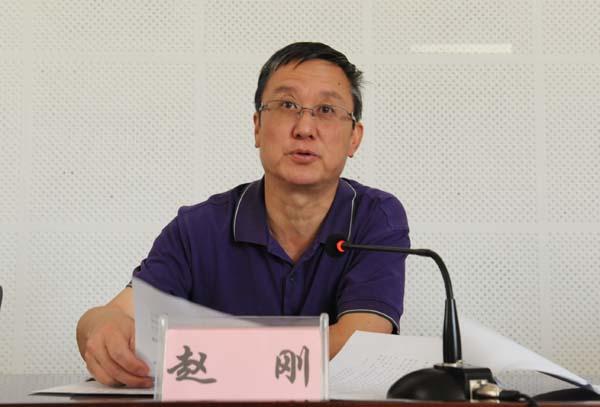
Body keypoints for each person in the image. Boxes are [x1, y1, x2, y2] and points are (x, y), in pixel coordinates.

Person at [76, 42, 410, 388]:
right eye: (287, 105)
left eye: (326, 109)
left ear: (354, 138)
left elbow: (361, 343)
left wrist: (209, 355)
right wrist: (100, 330)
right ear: (257, 126)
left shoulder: (376, 218)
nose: (304, 128)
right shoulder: (198, 229)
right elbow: (111, 315)